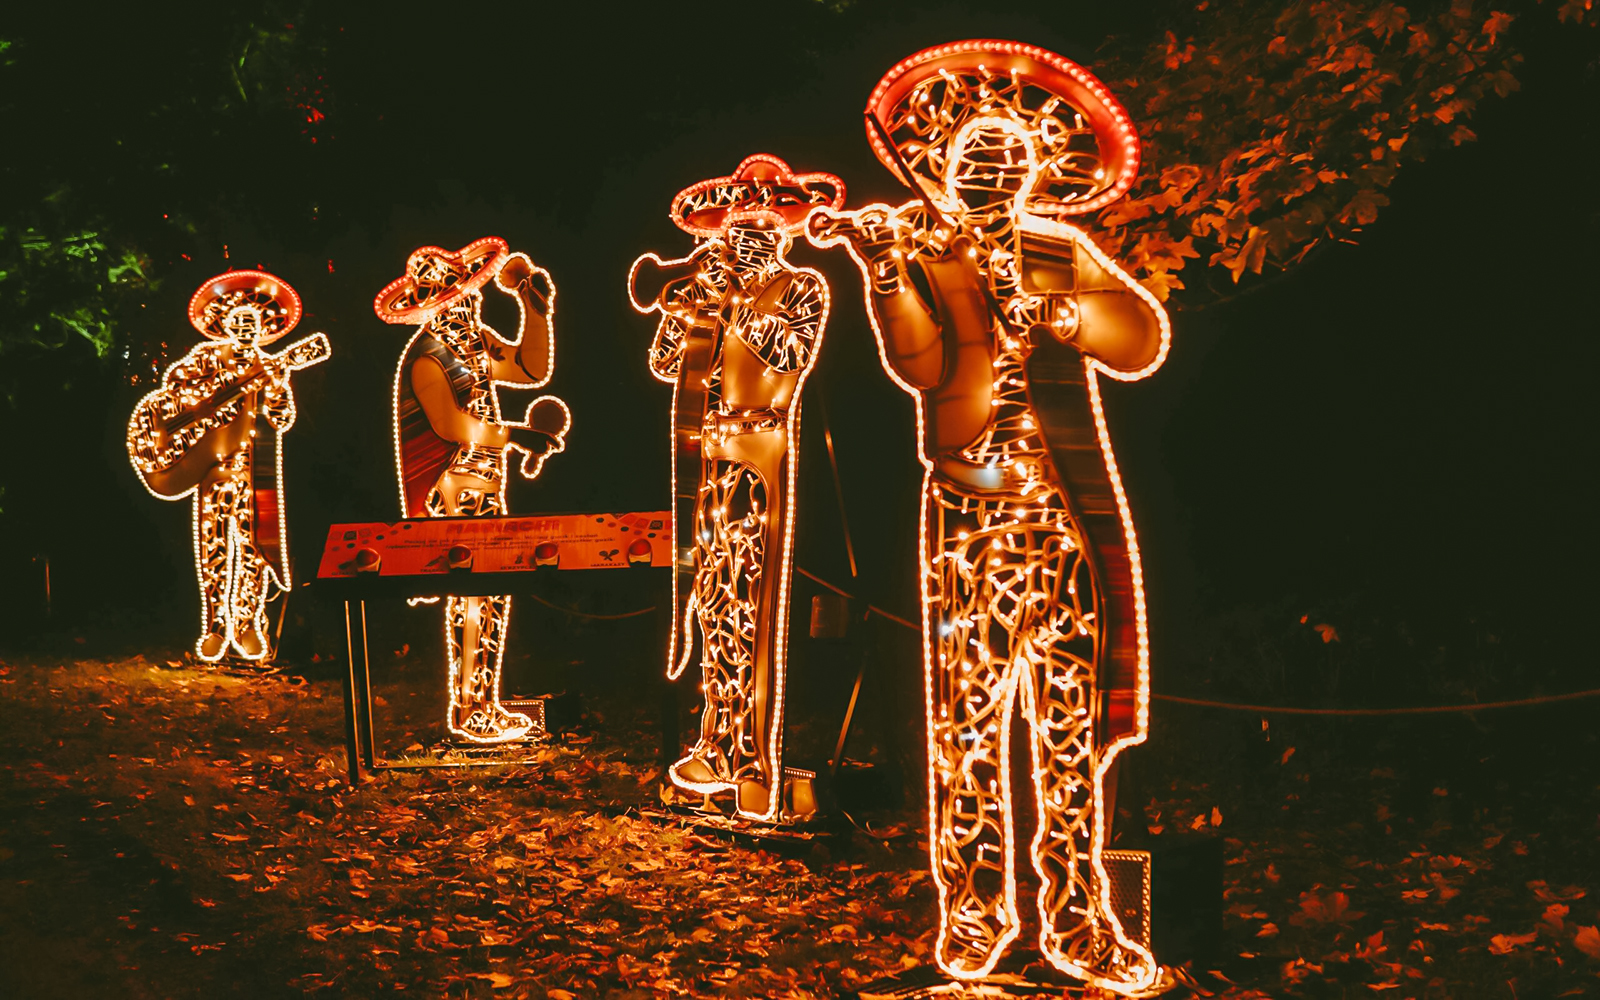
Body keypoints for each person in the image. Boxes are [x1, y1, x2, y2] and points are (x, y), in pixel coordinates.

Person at [807, 42, 1171, 993]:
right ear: (945, 169)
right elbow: (920, 367)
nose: (988, 172)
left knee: (1068, 731)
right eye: (973, 160)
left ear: (1035, 174)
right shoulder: (926, 249)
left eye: (1007, 161)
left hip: (1062, 522)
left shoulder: (1062, 249)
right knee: (965, 726)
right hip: (967, 518)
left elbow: (1138, 340)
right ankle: (973, 914)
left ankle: (1079, 921)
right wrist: (884, 276)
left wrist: (1059, 315)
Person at [629, 155, 842, 821]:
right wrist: (682, 309)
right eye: (734, 229)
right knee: (716, 606)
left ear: (781, 234)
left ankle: (755, 759)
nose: (743, 239)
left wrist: (739, 300)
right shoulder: (715, 291)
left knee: (757, 611)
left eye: (758, 228)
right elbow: (667, 363)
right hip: (709, 457)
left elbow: (788, 356)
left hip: (762, 453)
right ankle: (716, 743)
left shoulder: (802, 287)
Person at [375, 237, 569, 743]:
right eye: (459, 296)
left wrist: (533, 305)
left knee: (490, 592)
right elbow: (451, 425)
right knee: (472, 593)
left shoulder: (474, 345)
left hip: (484, 481)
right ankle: (470, 711)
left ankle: (481, 703)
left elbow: (530, 368)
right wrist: (513, 435)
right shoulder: (427, 356)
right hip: (451, 485)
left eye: (472, 293)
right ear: (434, 305)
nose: (470, 302)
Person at [128, 271, 329, 662]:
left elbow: (284, 418)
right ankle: (216, 625)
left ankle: (247, 622)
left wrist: (275, 384)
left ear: (262, 329)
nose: (243, 329)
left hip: (254, 471)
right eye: (237, 322)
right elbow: (174, 384)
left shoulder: (271, 367)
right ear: (225, 326)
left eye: (250, 323)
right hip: (212, 470)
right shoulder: (207, 357)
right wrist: (218, 389)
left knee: (254, 550)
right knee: (215, 548)